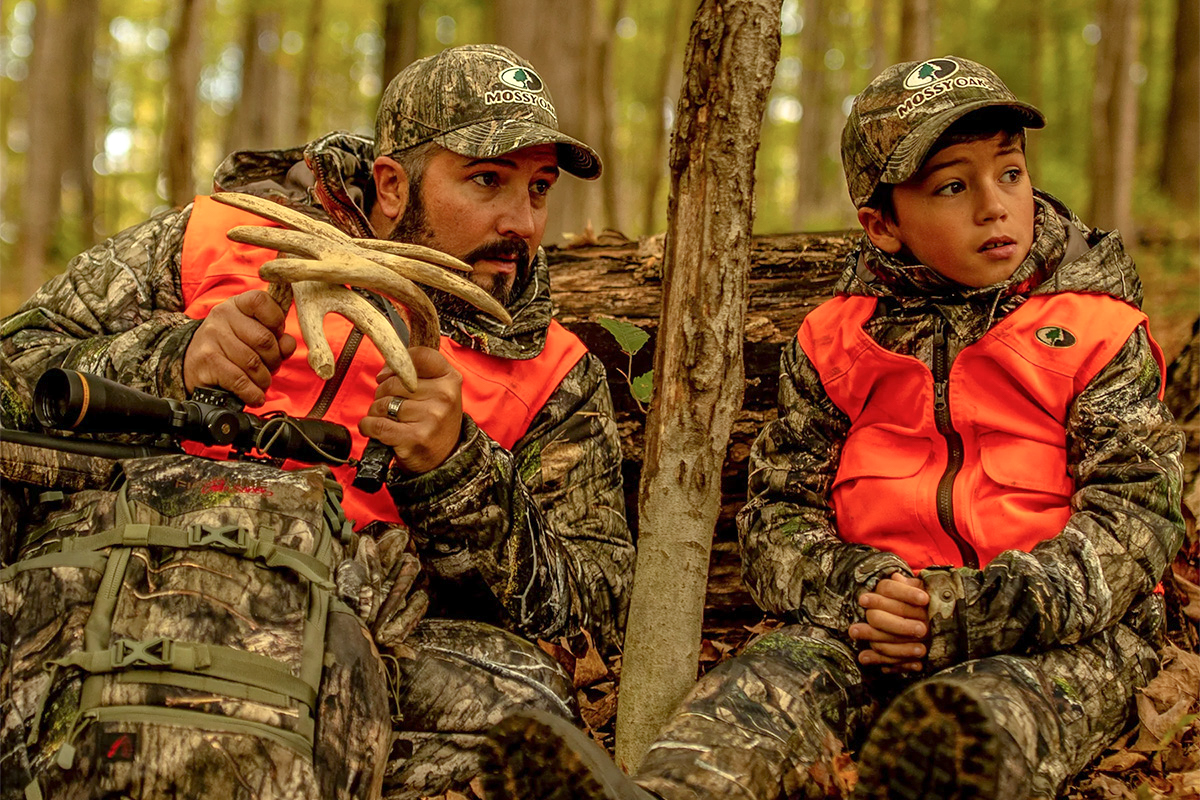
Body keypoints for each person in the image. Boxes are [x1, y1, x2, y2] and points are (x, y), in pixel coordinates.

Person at [482, 56, 1184, 800]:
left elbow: (1137, 517)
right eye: (953, 186)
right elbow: (777, 518)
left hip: (1052, 636)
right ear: (882, 224)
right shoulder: (835, 342)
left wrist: (971, 612)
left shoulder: (1096, 329)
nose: (995, 205)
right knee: (751, 701)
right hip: (865, 625)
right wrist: (863, 590)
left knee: (976, 732)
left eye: (1008, 173)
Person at [0, 44, 634, 799]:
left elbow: (593, 602)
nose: (521, 222)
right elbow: (18, 363)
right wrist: (177, 357)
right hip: (128, 556)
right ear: (394, 185)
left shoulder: (555, 373)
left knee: (528, 709)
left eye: (539, 189)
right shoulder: (223, 236)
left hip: (353, 618)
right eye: (487, 180)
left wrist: (458, 470)